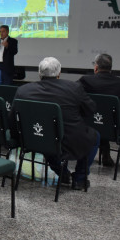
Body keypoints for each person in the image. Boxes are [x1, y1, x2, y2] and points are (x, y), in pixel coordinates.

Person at [10, 57, 99, 190]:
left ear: (39, 73)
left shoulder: (23, 90)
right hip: (66, 140)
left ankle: (62, 172)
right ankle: (80, 179)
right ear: (59, 73)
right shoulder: (74, 88)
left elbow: (12, 117)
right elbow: (90, 109)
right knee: (94, 136)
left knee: (48, 136)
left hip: (33, 138)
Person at [78, 54, 120, 173]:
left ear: (96, 68)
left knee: (102, 122)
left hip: (93, 124)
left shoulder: (85, 81)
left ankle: (105, 155)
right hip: (116, 128)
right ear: (111, 68)